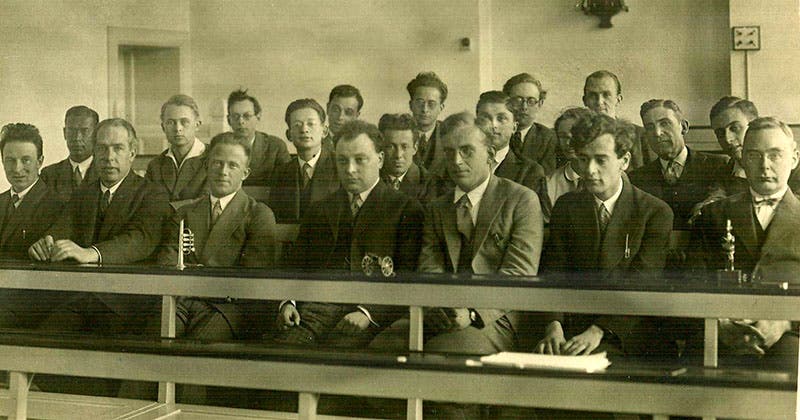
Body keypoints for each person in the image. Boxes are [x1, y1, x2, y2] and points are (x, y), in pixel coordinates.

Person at [370, 122, 544, 419]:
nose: (456, 161)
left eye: (466, 151)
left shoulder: (521, 200)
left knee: (448, 368)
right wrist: (442, 306)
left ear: (490, 153)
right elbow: (429, 267)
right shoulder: (438, 208)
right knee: (379, 353)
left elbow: (518, 274)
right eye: (449, 153)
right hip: (441, 314)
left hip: (494, 318)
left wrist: (472, 312)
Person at [27, 118, 170, 397]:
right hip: (86, 297)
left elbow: (140, 240)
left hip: (129, 302)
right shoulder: (86, 193)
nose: (109, 157)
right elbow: (60, 230)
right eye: (102, 148)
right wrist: (45, 244)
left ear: (133, 151)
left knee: (87, 355)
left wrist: (90, 253)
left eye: (117, 148)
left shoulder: (151, 193)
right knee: (44, 340)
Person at [276, 120, 423, 348]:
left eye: (360, 160)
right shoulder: (320, 209)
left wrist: (368, 312)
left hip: (368, 314)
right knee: (284, 352)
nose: (350, 169)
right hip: (315, 311)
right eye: (342, 161)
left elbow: (407, 277)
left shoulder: (406, 210)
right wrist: (288, 302)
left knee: (336, 361)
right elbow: (295, 264)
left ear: (381, 160)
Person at [540, 111, 673, 358]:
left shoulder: (654, 212)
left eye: (601, 160)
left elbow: (641, 284)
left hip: (627, 328)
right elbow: (554, 272)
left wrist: (599, 330)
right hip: (572, 329)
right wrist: (553, 325)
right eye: (583, 159)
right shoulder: (567, 206)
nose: (589, 170)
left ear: (624, 160)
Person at [687, 117, 799, 371]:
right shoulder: (714, 215)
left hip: (791, 335)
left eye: (775, 155)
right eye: (754, 155)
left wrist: (785, 324)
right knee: (691, 371)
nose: (765, 165)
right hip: (721, 331)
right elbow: (692, 281)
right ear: (743, 160)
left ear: (794, 159)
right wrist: (720, 323)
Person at [160, 131, 277, 340]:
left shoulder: (258, 214)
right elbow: (168, 259)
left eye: (233, 165)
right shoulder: (185, 212)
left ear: (245, 173)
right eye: (217, 163)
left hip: (229, 307)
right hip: (183, 301)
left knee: (199, 345)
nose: (223, 171)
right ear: (206, 167)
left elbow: (252, 276)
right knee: (159, 336)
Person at [630, 99, 728, 230]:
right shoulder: (637, 179)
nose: (657, 133)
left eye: (665, 123)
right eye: (649, 127)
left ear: (684, 127)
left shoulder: (718, 166)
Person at [0, 123, 62, 329]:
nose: (17, 169)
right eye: (10, 160)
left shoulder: (57, 206)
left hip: (29, 303)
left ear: (40, 162)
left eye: (25, 160)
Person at [709, 96, 800, 197]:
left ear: (755, 125)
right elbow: (713, 199)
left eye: (735, 128)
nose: (727, 139)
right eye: (720, 133)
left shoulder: (793, 167)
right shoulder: (727, 170)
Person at [268, 99, 339, 224]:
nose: (304, 129)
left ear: (324, 131)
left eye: (311, 124)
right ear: (289, 134)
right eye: (297, 125)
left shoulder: (339, 167)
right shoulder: (281, 174)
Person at [582, 70, 654, 170]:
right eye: (593, 95)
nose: (599, 102)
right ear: (585, 100)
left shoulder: (641, 137)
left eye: (606, 95)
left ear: (618, 99)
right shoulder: (574, 136)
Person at [475, 91, 545, 192]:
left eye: (501, 118)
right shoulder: (460, 164)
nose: (494, 125)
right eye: (485, 118)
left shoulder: (530, 172)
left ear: (514, 127)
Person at [146, 94, 208, 202]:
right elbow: (149, 205)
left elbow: (205, 204)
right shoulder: (155, 166)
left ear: (197, 125)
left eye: (184, 122)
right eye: (171, 122)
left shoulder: (212, 159)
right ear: (163, 127)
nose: (178, 128)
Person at [226, 88, 291, 186]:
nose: (241, 121)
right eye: (235, 116)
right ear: (228, 120)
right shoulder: (220, 146)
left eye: (247, 116)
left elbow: (287, 185)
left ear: (258, 116)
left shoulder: (275, 146)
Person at [539, 107, 593, 223]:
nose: (568, 143)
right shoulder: (549, 183)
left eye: (575, 135)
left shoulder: (612, 176)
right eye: (563, 136)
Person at [40, 106, 99, 203]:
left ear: (96, 134)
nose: (77, 138)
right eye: (71, 131)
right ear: (64, 133)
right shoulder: (49, 175)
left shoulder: (106, 172)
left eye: (84, 131)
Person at [503, 73, 558, 173]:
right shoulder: (497, 134)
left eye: (531, 101)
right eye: (518, 100)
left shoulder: (548, 139)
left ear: (540, 104)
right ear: (506, 102)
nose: (524, 107)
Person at [378, 113, 435, 204]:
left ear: (415, 148)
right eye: (391, 147)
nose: (398, 155)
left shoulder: (430, 184)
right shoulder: (373, 177)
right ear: (381, 147)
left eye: (404, 147)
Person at [407, 71, 448, 170]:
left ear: (441, 108)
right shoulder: (398, 134)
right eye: (420, 102)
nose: (425, 109)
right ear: (411, 105)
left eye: (431, 104)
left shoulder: (449, 135)